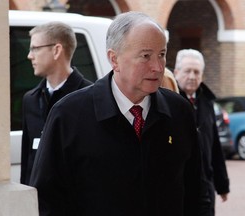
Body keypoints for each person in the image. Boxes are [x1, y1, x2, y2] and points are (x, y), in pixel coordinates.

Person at [29, 11, 201, 216]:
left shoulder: (179, 111)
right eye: (146, 56)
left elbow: (195, 190)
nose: (158, 67)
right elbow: (48, 199)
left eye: (162, 54)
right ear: (114, 59)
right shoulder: (68, 115)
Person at [20, 21, 92, 185]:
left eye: (35, 48)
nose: (30, 55)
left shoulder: (90, 97)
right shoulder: (30, 99)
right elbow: (27, 161)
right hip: (38, 202)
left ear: (57, 50)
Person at [174, 49, 230, 216]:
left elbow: (214, 146)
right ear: (176, 72)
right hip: (179, 186)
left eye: (196, 72)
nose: (192, 76)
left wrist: (222, 185)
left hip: (205, 184)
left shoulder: (207, 102)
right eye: (187, 71)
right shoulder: (167, 99)